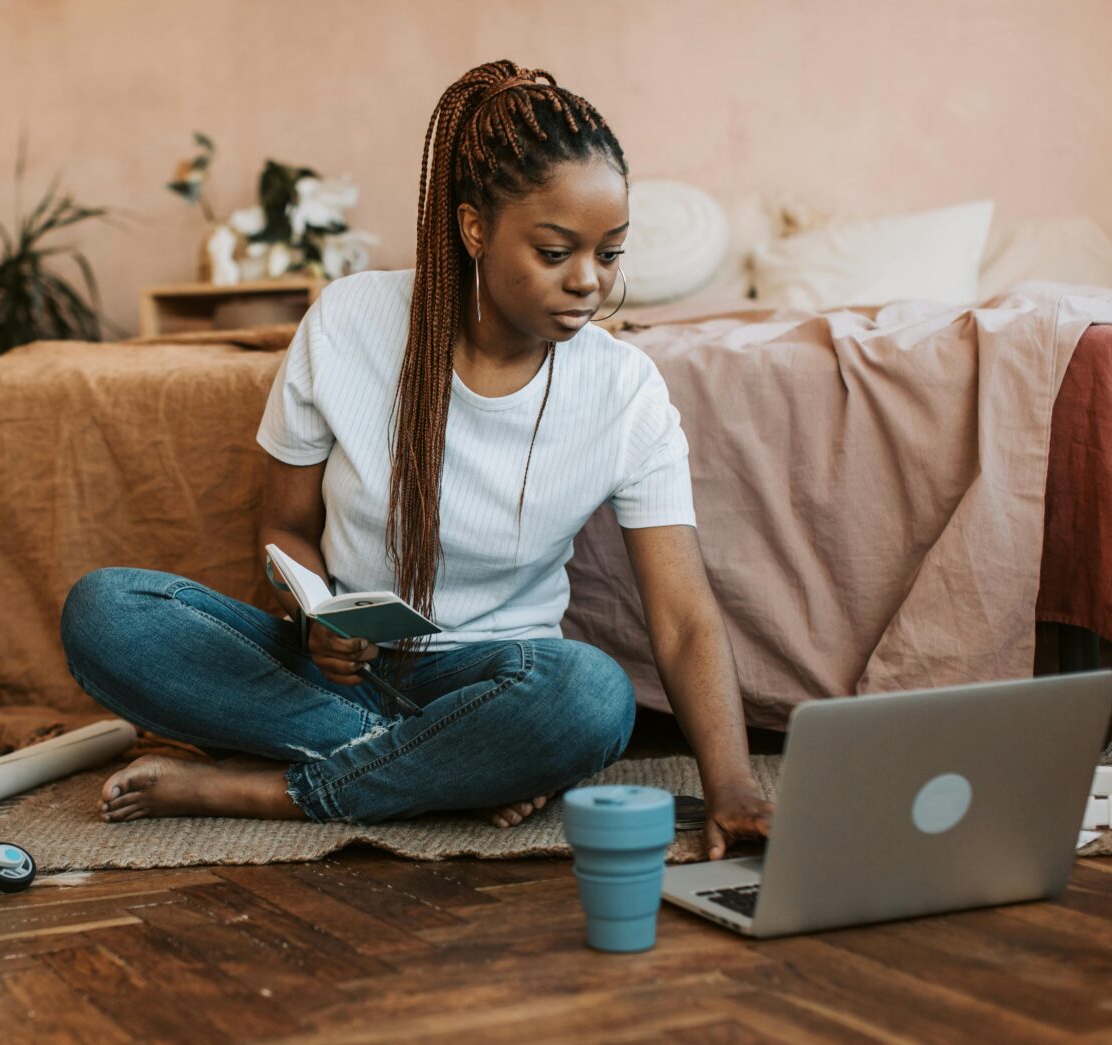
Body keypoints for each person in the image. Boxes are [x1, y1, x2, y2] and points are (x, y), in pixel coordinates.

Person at [61, 59, 772, 859]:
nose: (587, 283)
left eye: (610, 254)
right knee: (105, 610)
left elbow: (680, 619)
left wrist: (734, 789)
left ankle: (274, 787)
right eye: (554, 251)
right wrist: (315, 613)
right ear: (475, 229)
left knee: (592, 697)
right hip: (332, 673)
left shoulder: (625, 392)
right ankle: (451, 766)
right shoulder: (349, 324)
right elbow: (284, 528)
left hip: (494, 678)